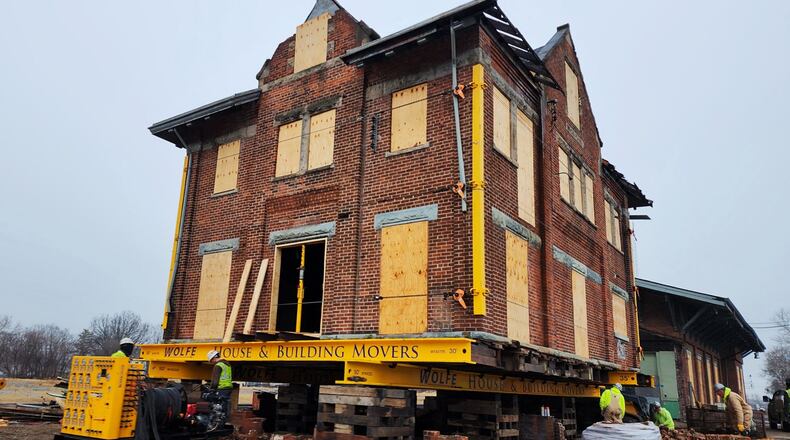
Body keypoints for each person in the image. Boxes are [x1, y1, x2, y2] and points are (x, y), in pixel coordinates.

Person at [206, 350, 233, 416]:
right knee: (224, 406)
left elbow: (215, 381)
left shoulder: (218, 366)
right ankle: (223, 419)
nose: (212, 362)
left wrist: (211, 389)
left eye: (211, 360)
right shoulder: (227, 365)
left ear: (214, 358)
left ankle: (216, 422)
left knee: (217, 407)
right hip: (228, 388)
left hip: (221, 388)